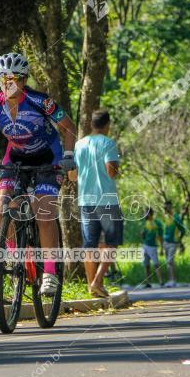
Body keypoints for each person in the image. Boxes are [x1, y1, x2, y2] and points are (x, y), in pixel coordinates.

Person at [0, 52, 78, 296]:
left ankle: (49, 273)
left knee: (44, 213)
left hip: (48, 157)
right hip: (15, 157)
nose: (9, 83)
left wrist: (68, 156)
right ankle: (18, 260)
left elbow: (69, 127)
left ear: (24, 80)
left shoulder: (41, 101)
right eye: (3, 78)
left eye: (14, 78)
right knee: (2, 209)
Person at [69, 109, 121, 298]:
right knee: (111, 243)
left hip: (86, 200)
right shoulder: (108, 143)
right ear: (108, 125)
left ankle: (93, 288)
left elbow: (72, 175)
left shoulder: (79, 145)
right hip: (106, 199)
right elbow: (111, 171)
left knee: (89, 245)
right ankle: (97, 281)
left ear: (91, 124)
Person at [161, 200, 186, 288]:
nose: (165, 208)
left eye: (166, 206)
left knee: (170, 261)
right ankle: (170, 280)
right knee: (168, 262)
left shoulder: (176, 217)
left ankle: (173, 280)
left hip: (173, 243)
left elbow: (182, 230)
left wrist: (179, 240)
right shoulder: (165, 217)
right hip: (165, 242)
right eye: (164, 207)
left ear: (170, 207)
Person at [141, 208, 164, 288]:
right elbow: (143, 236)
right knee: (146, 265)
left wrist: (161, 248)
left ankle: (161, 281)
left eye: (146, 213)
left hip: (153, 246)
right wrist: (142, 234)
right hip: (145, 246)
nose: (144, 215)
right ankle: (148, 282)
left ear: (150, 214)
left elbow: (160, 236)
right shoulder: (145, 223)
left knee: (156, 264)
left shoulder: (157, 223)